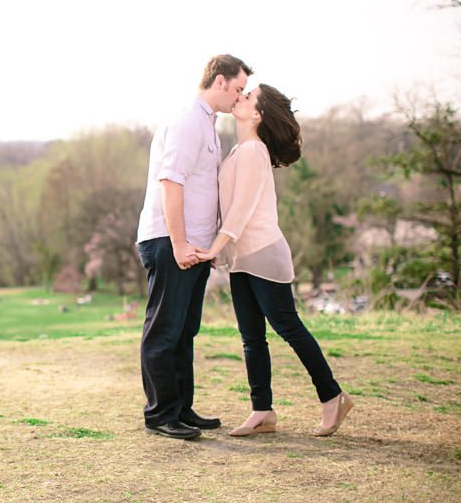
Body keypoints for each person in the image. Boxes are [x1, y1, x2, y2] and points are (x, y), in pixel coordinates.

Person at [196, 84, 354, 437]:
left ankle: (333, 397)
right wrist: (221, 252)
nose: (241, 97)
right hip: (241, 257)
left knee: (288, 327)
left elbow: (241, 210)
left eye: (249, 96)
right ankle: (262, 410)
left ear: (257, 114)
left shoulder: (253, 150)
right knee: (251, 337)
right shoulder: (240, 150)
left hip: (264, 254)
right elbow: (230, 210)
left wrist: (214, 248)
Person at [136, 54, 252, 440]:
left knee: (185, 330)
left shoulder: (208, 126)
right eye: (238, 88)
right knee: (165, 331)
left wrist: (208, 244)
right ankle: (161, 415)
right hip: (171, 242)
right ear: (219, 82)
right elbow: (172, 182)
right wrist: (181, 243)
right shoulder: (188, 121)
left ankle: (181, 409)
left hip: (195, 247)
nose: (240, 97)